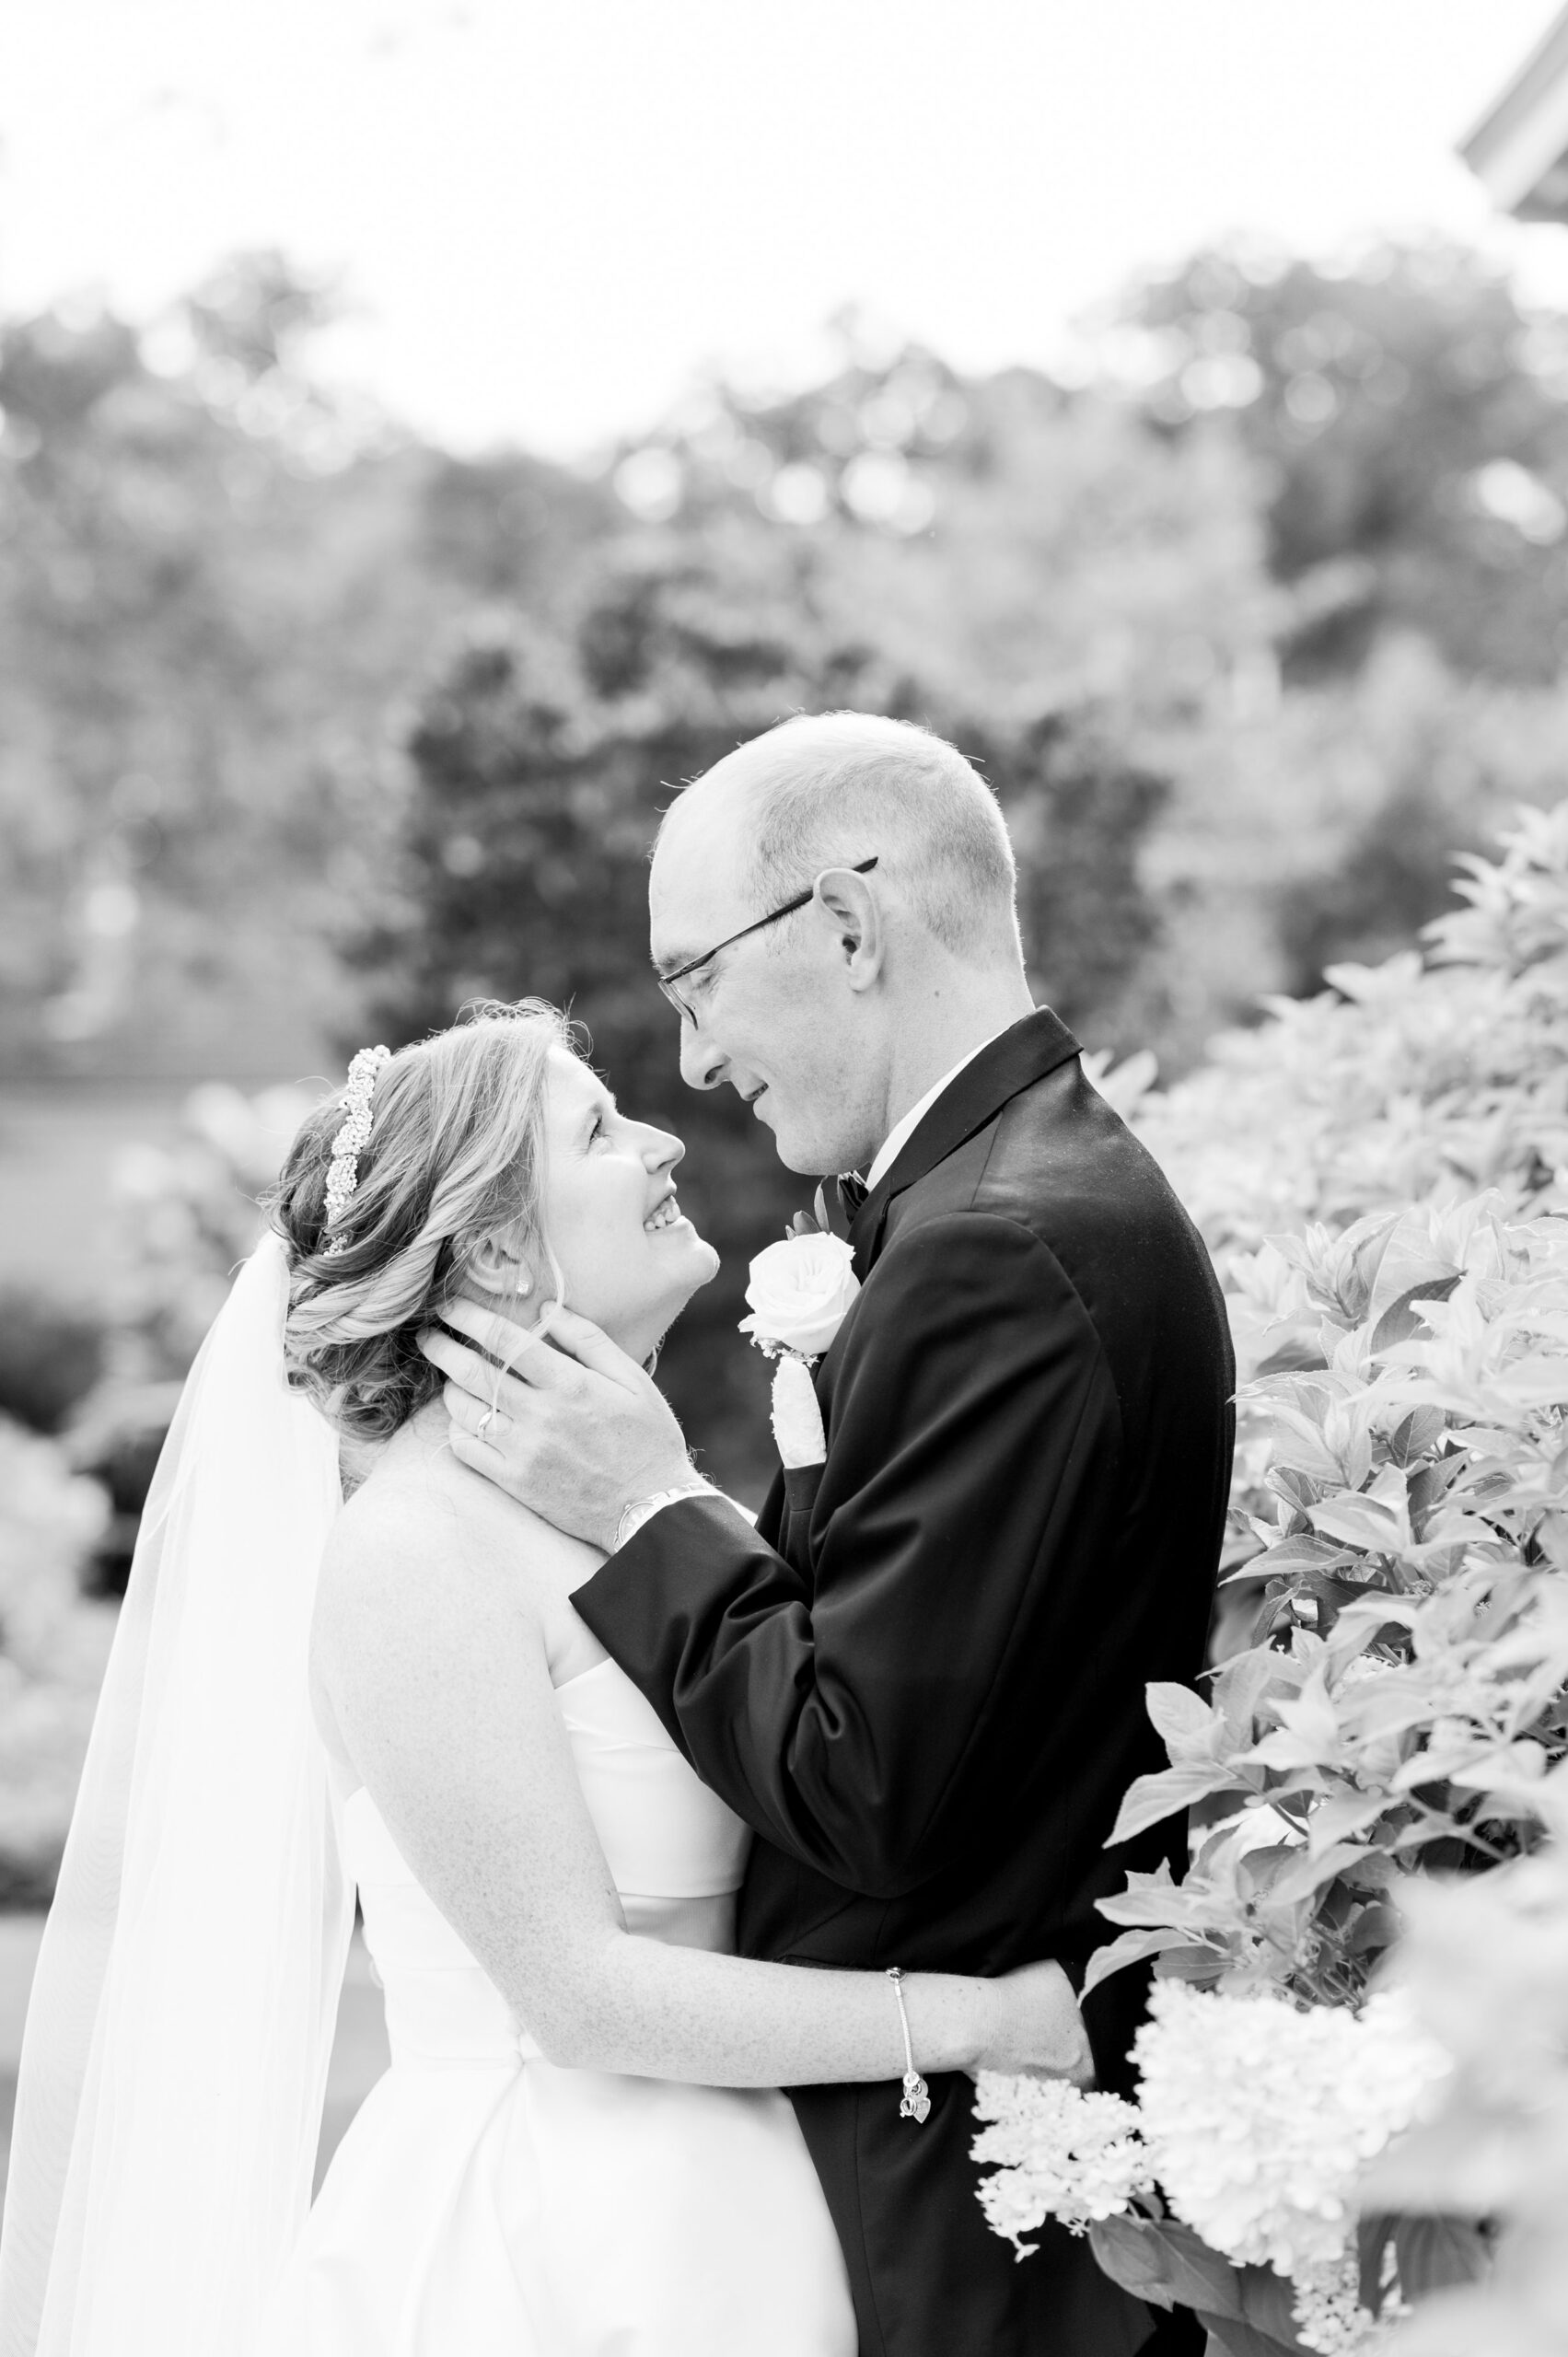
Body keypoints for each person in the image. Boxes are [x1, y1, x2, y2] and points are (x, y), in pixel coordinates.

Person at [0, 1000, 1092, 2357]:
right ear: (505, 1242)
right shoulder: (413, 1553)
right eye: (597, 1128)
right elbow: (576, 1998)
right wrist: (985, 2020)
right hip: (563, 2243)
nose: (662, 1144)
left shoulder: (617, 1487)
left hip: (749, 2194)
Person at [424, 714, 1237, 2357]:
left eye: (693, 982)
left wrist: (643, 1508)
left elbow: (863, 1778)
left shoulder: (998, 1247)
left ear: (849, 928)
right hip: (874, 2180)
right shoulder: (990, 1208)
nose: (695, 1063)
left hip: (950, 2213)